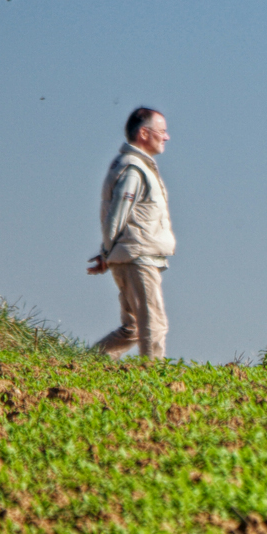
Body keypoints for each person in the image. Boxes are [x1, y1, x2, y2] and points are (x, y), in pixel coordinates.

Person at [87, 107, 176, 360]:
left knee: (134, 328)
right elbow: (116, 214)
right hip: (139, 257)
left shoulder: (130, 165)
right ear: (145, 133)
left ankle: (84, 366)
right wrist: (107, 253)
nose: (167, 137)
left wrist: (109, 254)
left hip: (130, 255)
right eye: (162, 131)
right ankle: (156, 382)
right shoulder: (135, 169)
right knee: (154, 325)